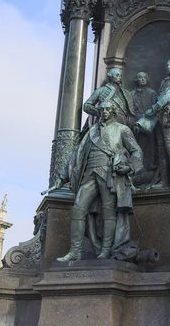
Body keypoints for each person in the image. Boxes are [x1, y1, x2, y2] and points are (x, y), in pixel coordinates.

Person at [57, 101, 143, 262]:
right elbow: (76, 155)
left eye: (107, 109)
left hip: (110, 174)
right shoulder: (91, 132)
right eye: (101, 109)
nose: (103, 112)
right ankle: (75, 251)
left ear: (113, 111)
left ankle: (106, 251)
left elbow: (136, 151)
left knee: (109, 212)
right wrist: (62, 176)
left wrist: (129, 167)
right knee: (77, 208)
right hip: (89, 173)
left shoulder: (122, 130)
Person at [138, 58, 170, 188]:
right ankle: (164, 181)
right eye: (167, 64)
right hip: (160, 119)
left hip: (169, 119)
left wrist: (154, 107)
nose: (167, 66)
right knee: (161, 150)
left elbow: (168, 96)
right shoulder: (164, 82)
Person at [131, 72, 158, 174]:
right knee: (138, 146)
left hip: (149, 122)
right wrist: (135, 123)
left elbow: (154, 110)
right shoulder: (132, 94)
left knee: (151, 145)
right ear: (136, 80)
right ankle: (137, 166)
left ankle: (151, 164)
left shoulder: (152, 93)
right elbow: (130, 111)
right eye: (139, 77)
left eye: (144, 77)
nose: (142, 79)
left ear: (147, 79)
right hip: (136, 122)